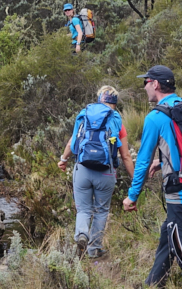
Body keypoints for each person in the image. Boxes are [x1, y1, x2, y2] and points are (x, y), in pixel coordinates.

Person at [122, 65, 182, 289]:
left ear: (155, 84)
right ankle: (153, 286)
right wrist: (162, 160)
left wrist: (133, 196)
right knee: (169, 233)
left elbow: (141, 162)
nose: (144, 87)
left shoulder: (156, 117)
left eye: (145, 82)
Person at [58, 85, 136, 258]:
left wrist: (63, 160)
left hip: (82, 169)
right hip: (105, 172)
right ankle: (94, 249)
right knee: (101, 211)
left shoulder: (85, 115)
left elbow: (72, 143)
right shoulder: (117, 120)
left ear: (99, 98)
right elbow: (126, 156)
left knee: (84, 210)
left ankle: (82, 235)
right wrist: (135, 179)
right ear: (114, 102)